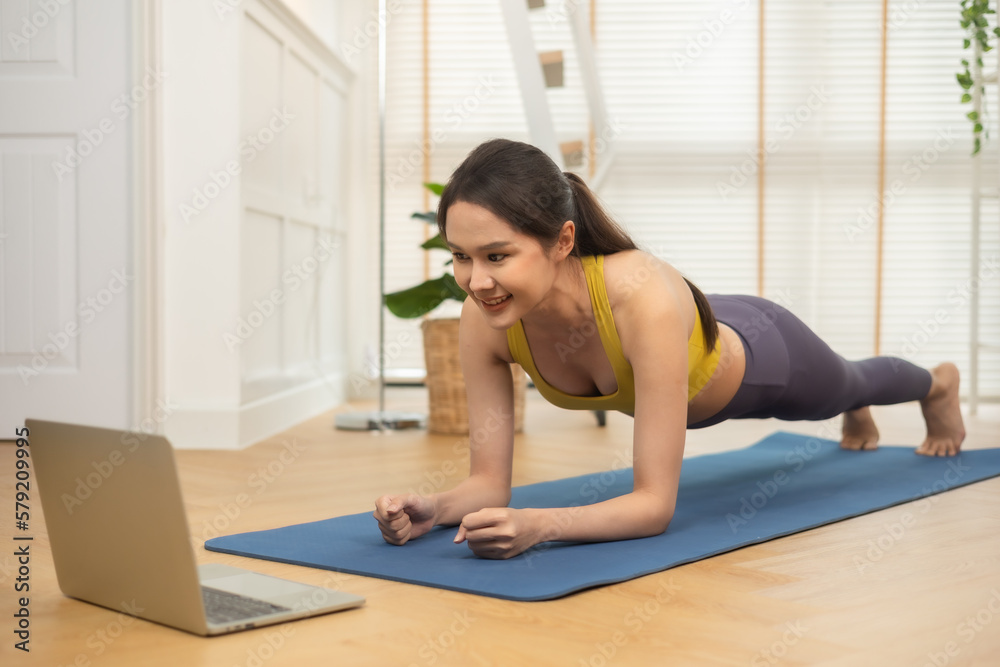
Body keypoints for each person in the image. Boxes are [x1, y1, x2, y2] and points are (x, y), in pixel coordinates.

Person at [373, 138, 967, 560]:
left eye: (496, 256)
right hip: (692, 326)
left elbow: (653, 505)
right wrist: (433, 506)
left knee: (849, 384)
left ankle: (936, 383)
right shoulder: (486, 320)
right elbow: (487, 486)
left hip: (764, 355)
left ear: (563, 241)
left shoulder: (641, 295)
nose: (475, 281)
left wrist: (541, 525)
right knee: (844, 392)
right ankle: (855, 407)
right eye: (460, 256)